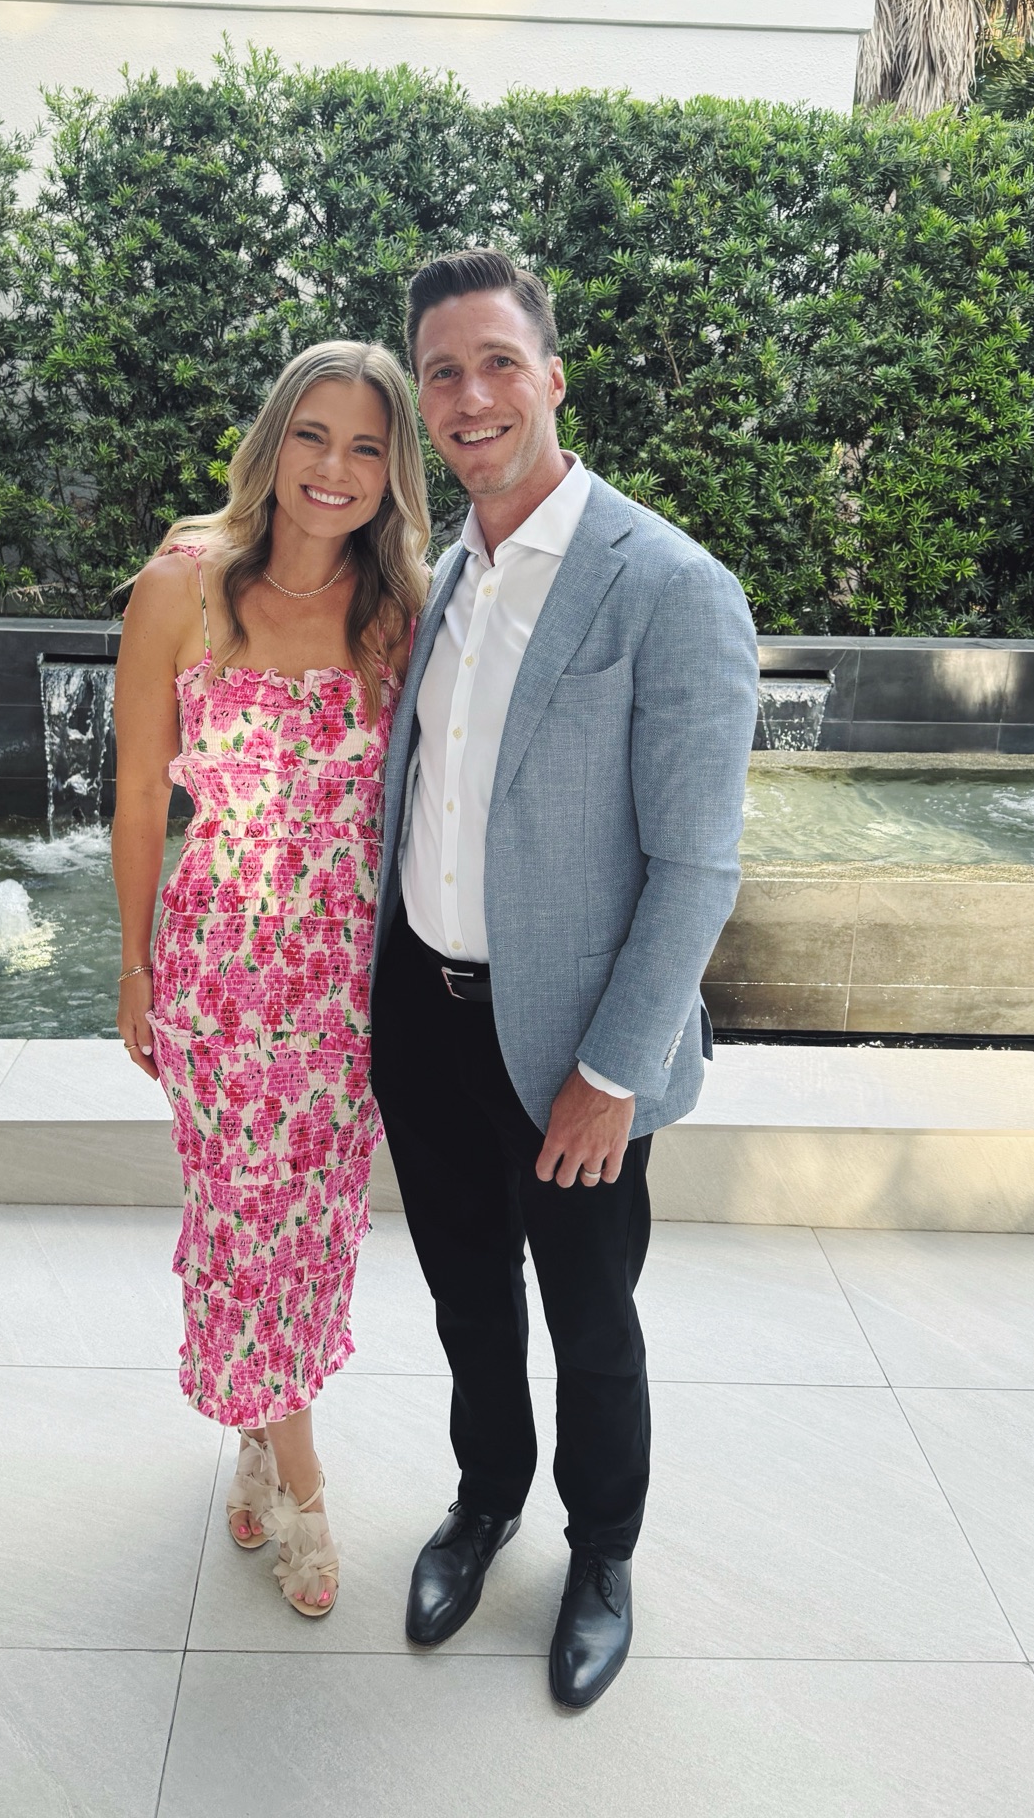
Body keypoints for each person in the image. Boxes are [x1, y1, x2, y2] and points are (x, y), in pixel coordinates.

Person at [370, 249, 758, 1707]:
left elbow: (698, 868)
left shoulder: (669, 585)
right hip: (425, 1022)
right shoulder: (445, 576)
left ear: (552, 376)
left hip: (574, 1050)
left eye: (496, 363)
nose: (469, 396)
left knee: (592, 1324)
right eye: (443, 373)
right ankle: (486, 1501)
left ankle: (602, 1552)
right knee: (468, 1299)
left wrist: (611, 1075)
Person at [113, 339, 429, 1620]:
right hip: (219, 972)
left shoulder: (398, 610)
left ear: (393, 470)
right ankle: (303, 1488)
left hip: (346, 982)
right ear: (272, 439)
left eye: (366, 446)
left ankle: (256, 1431)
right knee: (243, 1220)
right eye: (312, 434)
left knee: (309, 1231)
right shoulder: (180, 588)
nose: (334, 468)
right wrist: (132, 965)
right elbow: (140, 799)